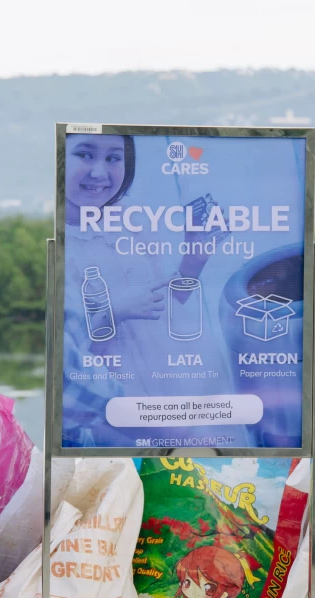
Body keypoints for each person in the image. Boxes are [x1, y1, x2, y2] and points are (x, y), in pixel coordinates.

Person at [62, 135, 219, 446]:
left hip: (167, 379)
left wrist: (195, 258)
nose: (99, 172)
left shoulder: (134, 218)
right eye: (85, 154)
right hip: (111, 399)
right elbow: (65, 353)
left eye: (113, 158)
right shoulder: (57, 246)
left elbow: (165, 304)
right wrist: (114, 311)